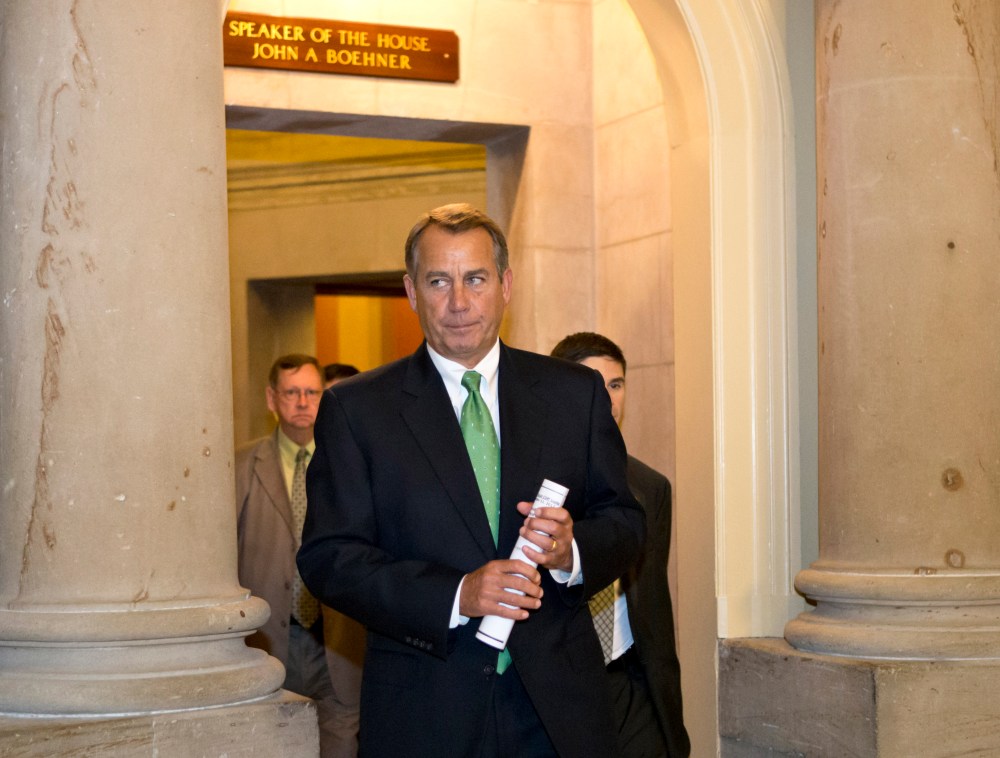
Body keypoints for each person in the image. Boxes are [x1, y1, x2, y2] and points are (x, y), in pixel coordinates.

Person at [298, 203, 645, 758]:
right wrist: (457, 593)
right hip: (424, 713)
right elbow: (328, 559)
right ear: (411, 291)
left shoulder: (573, 394)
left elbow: (626, 522)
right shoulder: (357, 410)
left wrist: (570, 550)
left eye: (476, 279)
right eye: (439, 281)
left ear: (505, 285)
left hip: (558, 714)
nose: (459, 302)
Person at [551, 332, 690, 757]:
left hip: (630, 685)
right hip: (560, 688)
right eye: (593, 383)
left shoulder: (650, 487)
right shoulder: (534, 483)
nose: (608, 398)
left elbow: (654, 607)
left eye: (616, 384)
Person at [235, 353, 354, 758]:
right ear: (272, 399)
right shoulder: (242, 466)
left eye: (311, 392)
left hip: (338, 643)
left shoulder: (351, 459)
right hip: (269, 641)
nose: (303, 402)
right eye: (291, 393)